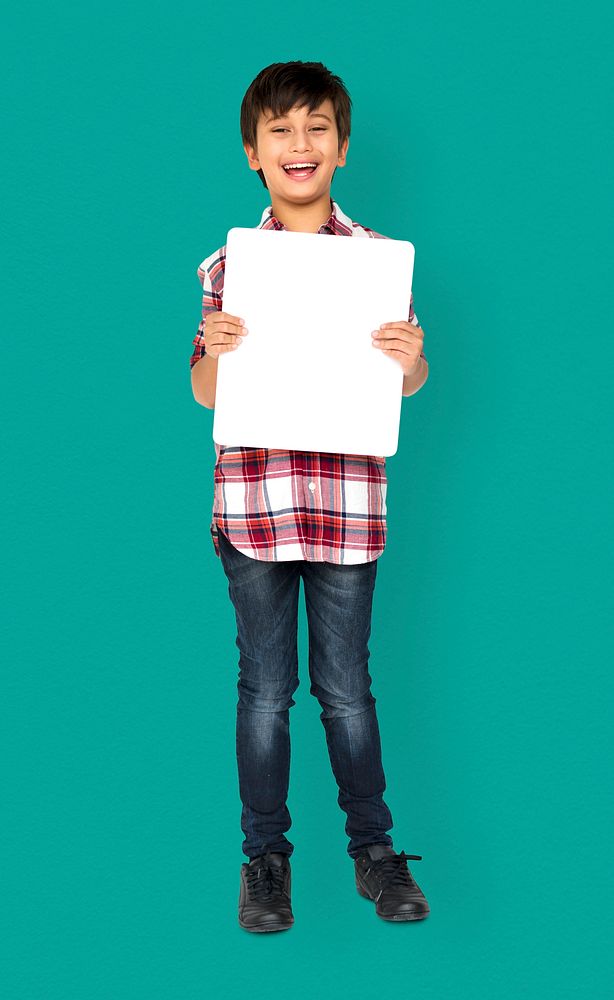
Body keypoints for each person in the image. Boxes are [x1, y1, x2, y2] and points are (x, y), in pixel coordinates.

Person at [189, 61, 430, 933]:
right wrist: (215, 346)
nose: (300, 144)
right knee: (264, 689)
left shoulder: (378, 263)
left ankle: (373, 850)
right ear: (254, 152)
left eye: (316, 127)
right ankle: (266, 859)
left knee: (346, 690)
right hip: (254, 504)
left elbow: (403, 380)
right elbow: (207, 394)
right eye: (281, 130)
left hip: (348, 508)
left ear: (342, 146)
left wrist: (412, 364)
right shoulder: (225, 264)